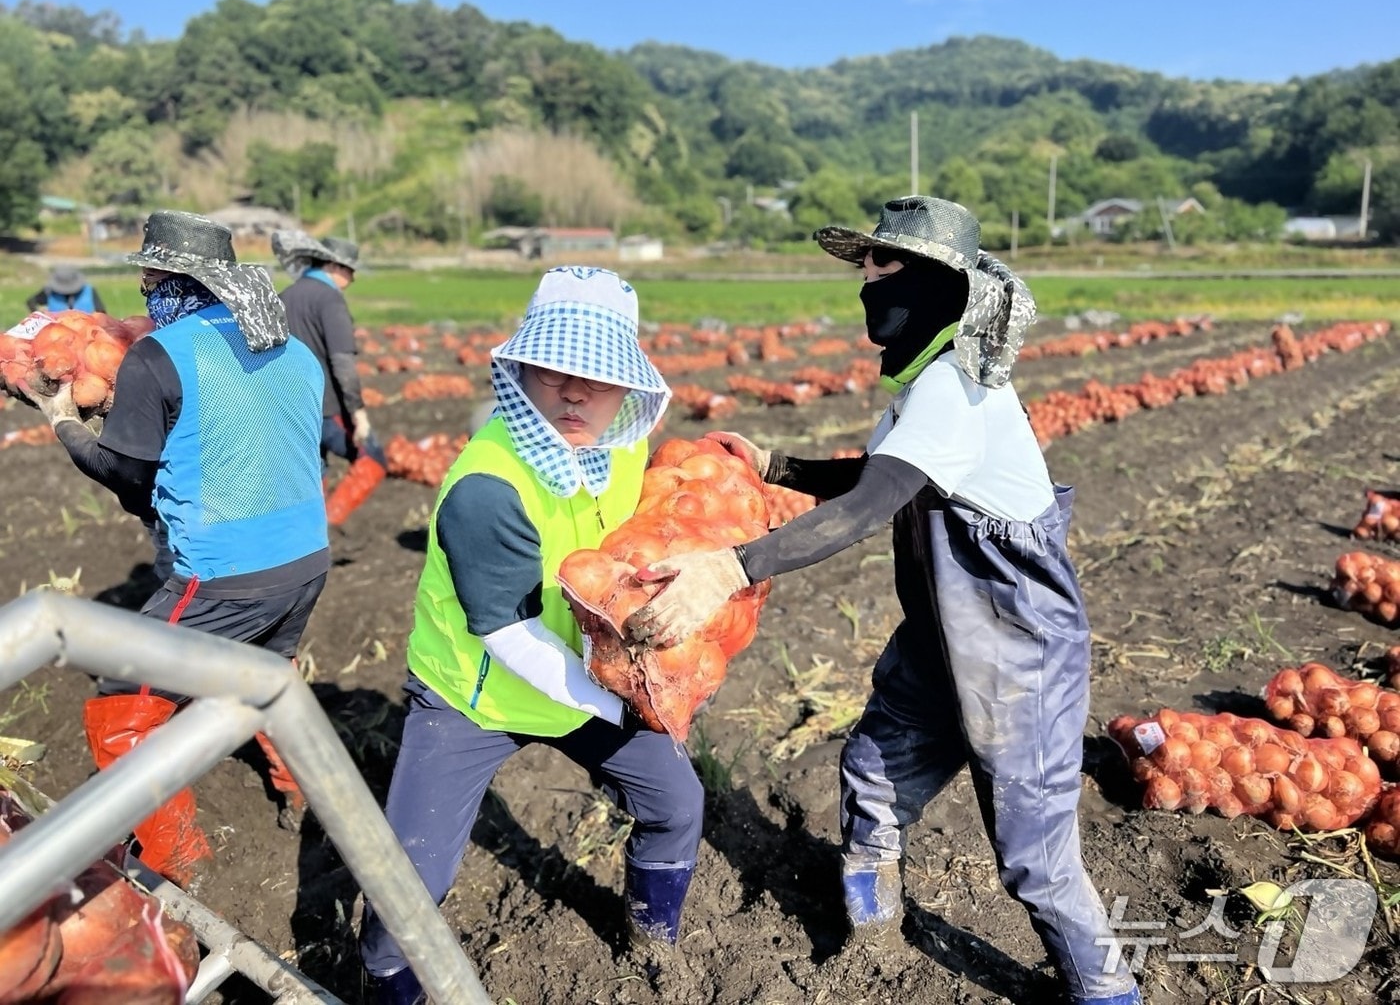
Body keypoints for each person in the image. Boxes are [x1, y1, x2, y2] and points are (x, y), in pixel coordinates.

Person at [625, 198, 1142, 1005]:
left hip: (1018, 651)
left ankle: (1107, 991)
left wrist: (731, 568)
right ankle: (874, 938)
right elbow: (876, 474)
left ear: (938, 283)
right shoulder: (924, 384)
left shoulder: (955, 390)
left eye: (883, 262)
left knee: (1033, 859)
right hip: (943, 638)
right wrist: (776, 464)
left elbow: (871, 505)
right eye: (863, 262)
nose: (866, 278)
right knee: (873, 772)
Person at [358, 267, 701, 1005]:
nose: (575, 393)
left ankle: (654, 942)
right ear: (519, 370)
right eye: (553, 371)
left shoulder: (621, 446)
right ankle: (387, 984)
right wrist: (622, 706)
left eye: (598, 376)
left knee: (677, 804)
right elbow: (509, 635)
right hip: (473, 693)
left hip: (583, 670)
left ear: (626, 385)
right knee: (407, 887)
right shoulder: (489, 485)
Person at [21, 211, 330, 884]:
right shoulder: (290, 346)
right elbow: (252, 429)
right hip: (306, 558)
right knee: (267, 673)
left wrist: (66, 423)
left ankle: (178, 865)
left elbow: (126, 475)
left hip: (225, 572)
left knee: (120, 701)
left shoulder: (158, 355)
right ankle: (299, 791)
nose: (142, 287)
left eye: (148, 276)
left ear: (167, 279)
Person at [272, 229, 387, 527]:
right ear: (333, 266)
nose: (352, 278)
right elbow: (342, 362)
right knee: (372, 458)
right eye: (350, 270)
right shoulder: (330, 299)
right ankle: (330, 525)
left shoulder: (284, 297)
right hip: (325, 406)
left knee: (313, 471)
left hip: (287, 407)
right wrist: (358, 415)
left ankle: (308, 532)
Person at [26, 263, 107, 313]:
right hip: (58, 333)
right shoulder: (49, 292)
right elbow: (31, 302)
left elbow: (102, 313)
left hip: (85, 332)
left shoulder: (89, 291)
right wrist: (40, 316)